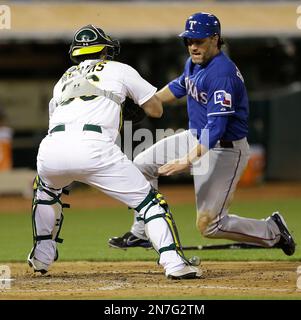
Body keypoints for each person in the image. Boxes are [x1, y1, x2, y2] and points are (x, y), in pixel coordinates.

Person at [108, 12, 296, 256]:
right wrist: (150, 100)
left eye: (199, 40)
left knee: (209, 225)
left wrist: (186, 161)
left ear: (215, 39)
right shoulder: (195, 63)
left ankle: (273, 230)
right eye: (189, 40)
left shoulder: (221, 74)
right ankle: (142, 232)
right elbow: (179, 85)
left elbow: (216, 129)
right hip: (197, 137)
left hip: (225, 149)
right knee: (142, 165)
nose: (193, 46)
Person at [27, 24, 202, 280]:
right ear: (105, 51)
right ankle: (174, 263)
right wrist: (130, 105)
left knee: (45, 193)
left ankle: (41, 256)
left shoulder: (64, 78)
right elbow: (156, 110)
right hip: (94, 147)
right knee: (150, 203)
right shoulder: (120, 69)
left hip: (52, 146)